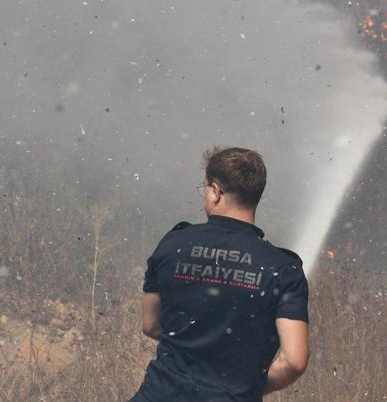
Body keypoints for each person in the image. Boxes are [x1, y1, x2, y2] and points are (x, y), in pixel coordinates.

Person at [129, 147, 310, 401]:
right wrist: (249, 386)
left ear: (215, 191)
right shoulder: (283, 269)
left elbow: (150, 324)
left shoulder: (174, 245)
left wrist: (191, 347)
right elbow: (294, 361)